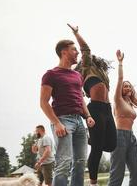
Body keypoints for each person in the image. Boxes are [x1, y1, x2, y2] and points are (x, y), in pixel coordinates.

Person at [40, 38, 95, 186]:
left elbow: (80, 99)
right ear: (64, 52)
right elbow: (43, 102)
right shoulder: (51, 74)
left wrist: (88, 115)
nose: (77, 52)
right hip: (63, 121)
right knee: (64, 162)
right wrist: (56, 123)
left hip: (79, 121)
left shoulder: (77, 76)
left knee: (80, 162)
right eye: (74, 49)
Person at [67, 24, 117, 186]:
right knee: (96, 150)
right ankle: (93, 183)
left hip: (107, 109)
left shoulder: (101, 72)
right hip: (94, 109)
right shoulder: (84, 69)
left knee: (111, 144)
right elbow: (86, 50)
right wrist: (77, 34)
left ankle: (91, 139)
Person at [108, 50, 137, 186]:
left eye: (129, 86)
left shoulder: (130, 104)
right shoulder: (118, 100)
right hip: (119, 136)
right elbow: (120, 79)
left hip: (131, 137)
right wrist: (120, 63)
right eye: (125, 86)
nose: (127, 87)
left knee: (136, 173)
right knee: (117, 173)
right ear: (121, 89)